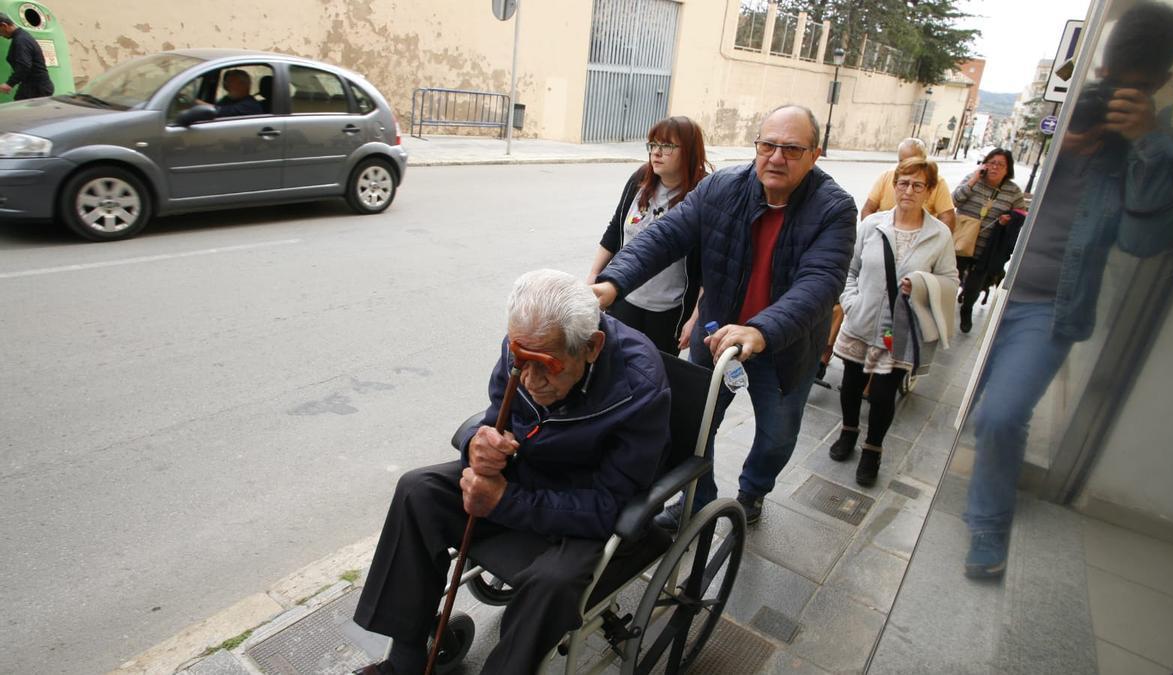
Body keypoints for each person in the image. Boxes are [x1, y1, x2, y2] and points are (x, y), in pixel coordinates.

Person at [963, 1, 1173, 579]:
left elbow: (1143, 240)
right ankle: (989, 480)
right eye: (1106, 82)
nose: (1111, 98)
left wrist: (1146, 143)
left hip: (1050, 309)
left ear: (1158, 85)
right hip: (1007, 292)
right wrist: (1062, 144)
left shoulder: (1153, 152)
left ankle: (988, 525)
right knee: (982, 415)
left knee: (1000, 416)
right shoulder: (1070, 127)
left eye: (1128, 90)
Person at [353, 269, 670, 673]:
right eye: (521, 361)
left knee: (551, 584)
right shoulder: (524, 347)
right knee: (418, 490)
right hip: (524, 476)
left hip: (585, 512)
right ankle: (405, 660)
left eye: (547, 367)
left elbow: (610, 504)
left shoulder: (639, 387)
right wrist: (479, 444)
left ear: (591, 348)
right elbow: (494, 418)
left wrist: (505, 501)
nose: (531, 381)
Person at [592, 104, 857, 527]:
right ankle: (700, 503)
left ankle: (753, 491)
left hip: (784, 347)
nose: (776, 157)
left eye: (791, 149)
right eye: (768, 145)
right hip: (717, 338)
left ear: (815, 154)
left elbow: (820, 284)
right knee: (693, 428)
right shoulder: (722, 188)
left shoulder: (834, 209)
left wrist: (760, 330)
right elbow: (664, 235)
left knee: (777, 437)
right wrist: (612, 282)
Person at [830, 157, 957, 486]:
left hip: (900, 327)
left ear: (929, 191)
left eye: (918, 185)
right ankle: (848, 431)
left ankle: (872, 449)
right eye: (903, 183)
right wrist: (851, 302)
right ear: (894, 186)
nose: (909, 191)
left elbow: (950, 281)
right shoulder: (873, 225)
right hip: (863, 318)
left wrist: (922, 284)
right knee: (852, 383)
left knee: (884, 394)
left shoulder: (939, 235)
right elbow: (850, 269)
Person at [588, 116, 708, 353]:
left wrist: (696, 316)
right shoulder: (640, 179)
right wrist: (594, 275)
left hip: (669, 310)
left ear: (689, 151)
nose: (656, 153)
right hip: (624, 297)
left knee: (657, 374)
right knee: (617, 365)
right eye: (653, 145)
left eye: (667, 146)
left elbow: (709, 265)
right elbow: (615, 230)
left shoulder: (704, 194)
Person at [952, 148, 1026, 332]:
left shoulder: (1013, 191)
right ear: (985, 163)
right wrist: (975, 178)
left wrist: (1010, 217)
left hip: (987, 248)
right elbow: (955, 200)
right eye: (992, 163)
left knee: (974, 285)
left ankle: (967, 309)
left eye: (1000, 165)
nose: (995, 168)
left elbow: (1022, 213)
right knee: (951, 277)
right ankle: (942, 309)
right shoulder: (973, 179)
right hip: (960, 241)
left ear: (1008, 169)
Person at [860, 138, 956, 230]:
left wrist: (934, 241)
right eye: (902, 161)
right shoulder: (886, 177)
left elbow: (948, 217)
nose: (907, 166)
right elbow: (868, 210)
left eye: (918, 186)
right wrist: (874, 234)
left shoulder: (937, 182)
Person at [0, 13, 54, 100]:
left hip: (35, 89)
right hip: (35, 87)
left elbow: (24, 66)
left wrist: (9, 84)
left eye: (0, 32)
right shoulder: (22, 36)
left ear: (4, 26)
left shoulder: (20, 40)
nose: (0, 35)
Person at [197, 69, 263, 117]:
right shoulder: (229, 99)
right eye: (226, 82)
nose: (226, 86)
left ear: (242, 85)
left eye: (230, 82)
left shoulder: (249, 105)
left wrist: (195, 102)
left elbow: (219, 112)